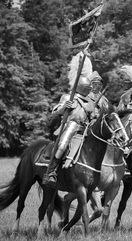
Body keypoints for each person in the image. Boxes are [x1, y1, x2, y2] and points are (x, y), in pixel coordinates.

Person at [43, 51, 95, 188]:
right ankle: (51, 172)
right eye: (87, 87)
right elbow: (54, 114)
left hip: (86, 129)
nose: (89, 89)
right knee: (62, 145)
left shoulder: (89, 101)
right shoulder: (68, 97)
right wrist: (64, 108)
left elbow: (93, 115)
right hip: (70, 126)